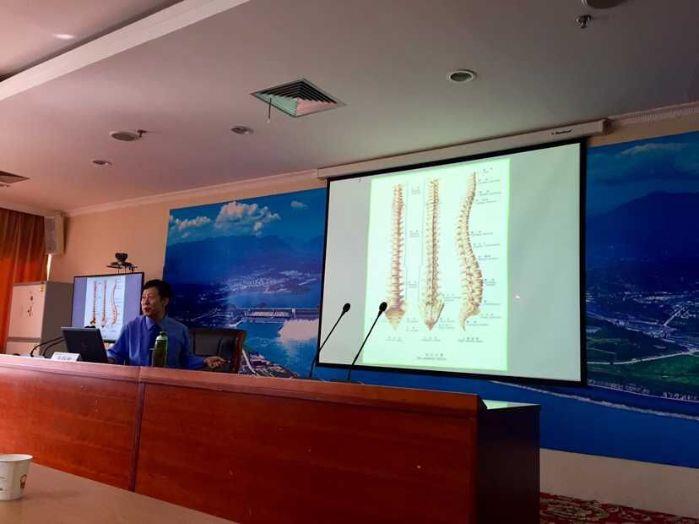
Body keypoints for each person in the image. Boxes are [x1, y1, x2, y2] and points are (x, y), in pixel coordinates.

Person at [108, 279, 225, 370]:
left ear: (164, 301)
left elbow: (186, 360)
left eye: (150, 297)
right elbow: (116, 354)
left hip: (167, 385)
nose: (145, 302)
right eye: (143, 298)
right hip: (138, 384)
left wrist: (204, 361)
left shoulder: (180, 330)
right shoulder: (131, 327)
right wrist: (109, 359)